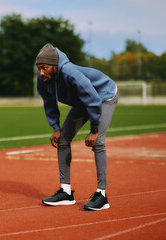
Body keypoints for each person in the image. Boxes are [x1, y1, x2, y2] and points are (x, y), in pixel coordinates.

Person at [36, 43, 118, 211]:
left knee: (98, 142)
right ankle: (66, 192)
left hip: (104, 95)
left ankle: (102, 195)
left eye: (44, 67)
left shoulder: (70, 74)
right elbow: (49, 103)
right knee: (63, 140)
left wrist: (94, 130)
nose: (41, 72)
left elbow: (94, 100)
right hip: (85, 99)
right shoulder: (43, 79)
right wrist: (56, 128)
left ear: (54, 65)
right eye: (38, 68)